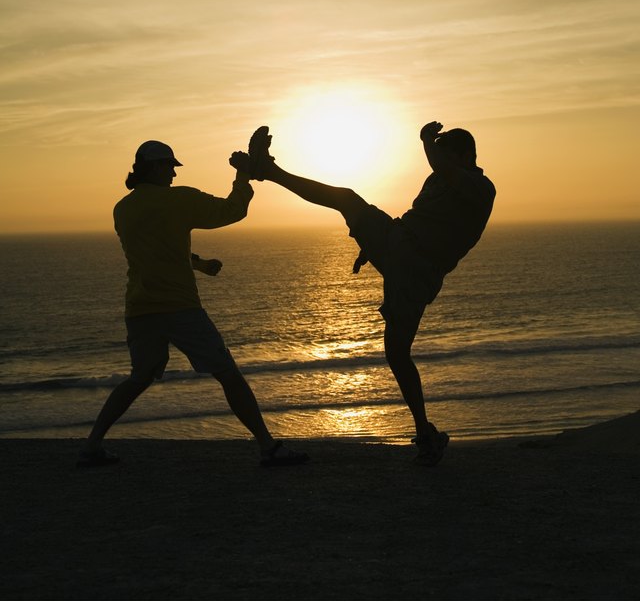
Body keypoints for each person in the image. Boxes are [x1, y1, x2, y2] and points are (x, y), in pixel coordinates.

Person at [236, 121, 495, 465]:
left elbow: (444, 171)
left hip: (418, 273)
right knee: (344, 198)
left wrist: (425, 140)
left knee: (397, 354)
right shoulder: (439, 178)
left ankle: (425, 434)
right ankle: (266, 168)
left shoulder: (479, 187)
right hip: (396, 241)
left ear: (465, 156)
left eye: (446, 154)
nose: (438, 158)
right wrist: (372, 245)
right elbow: (420, 216)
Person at [77, 139, 308, 469]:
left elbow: (157, 249)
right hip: (179, 307)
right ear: (156, 167)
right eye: (170, 166)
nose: (173, 173)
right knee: (228, 373)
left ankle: (92, 446)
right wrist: (242, 177)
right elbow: (233, 210)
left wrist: (197, 264)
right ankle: (268, 447)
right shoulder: (179, 200)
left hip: (140, 308)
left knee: (139, 377)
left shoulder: (122, 209)